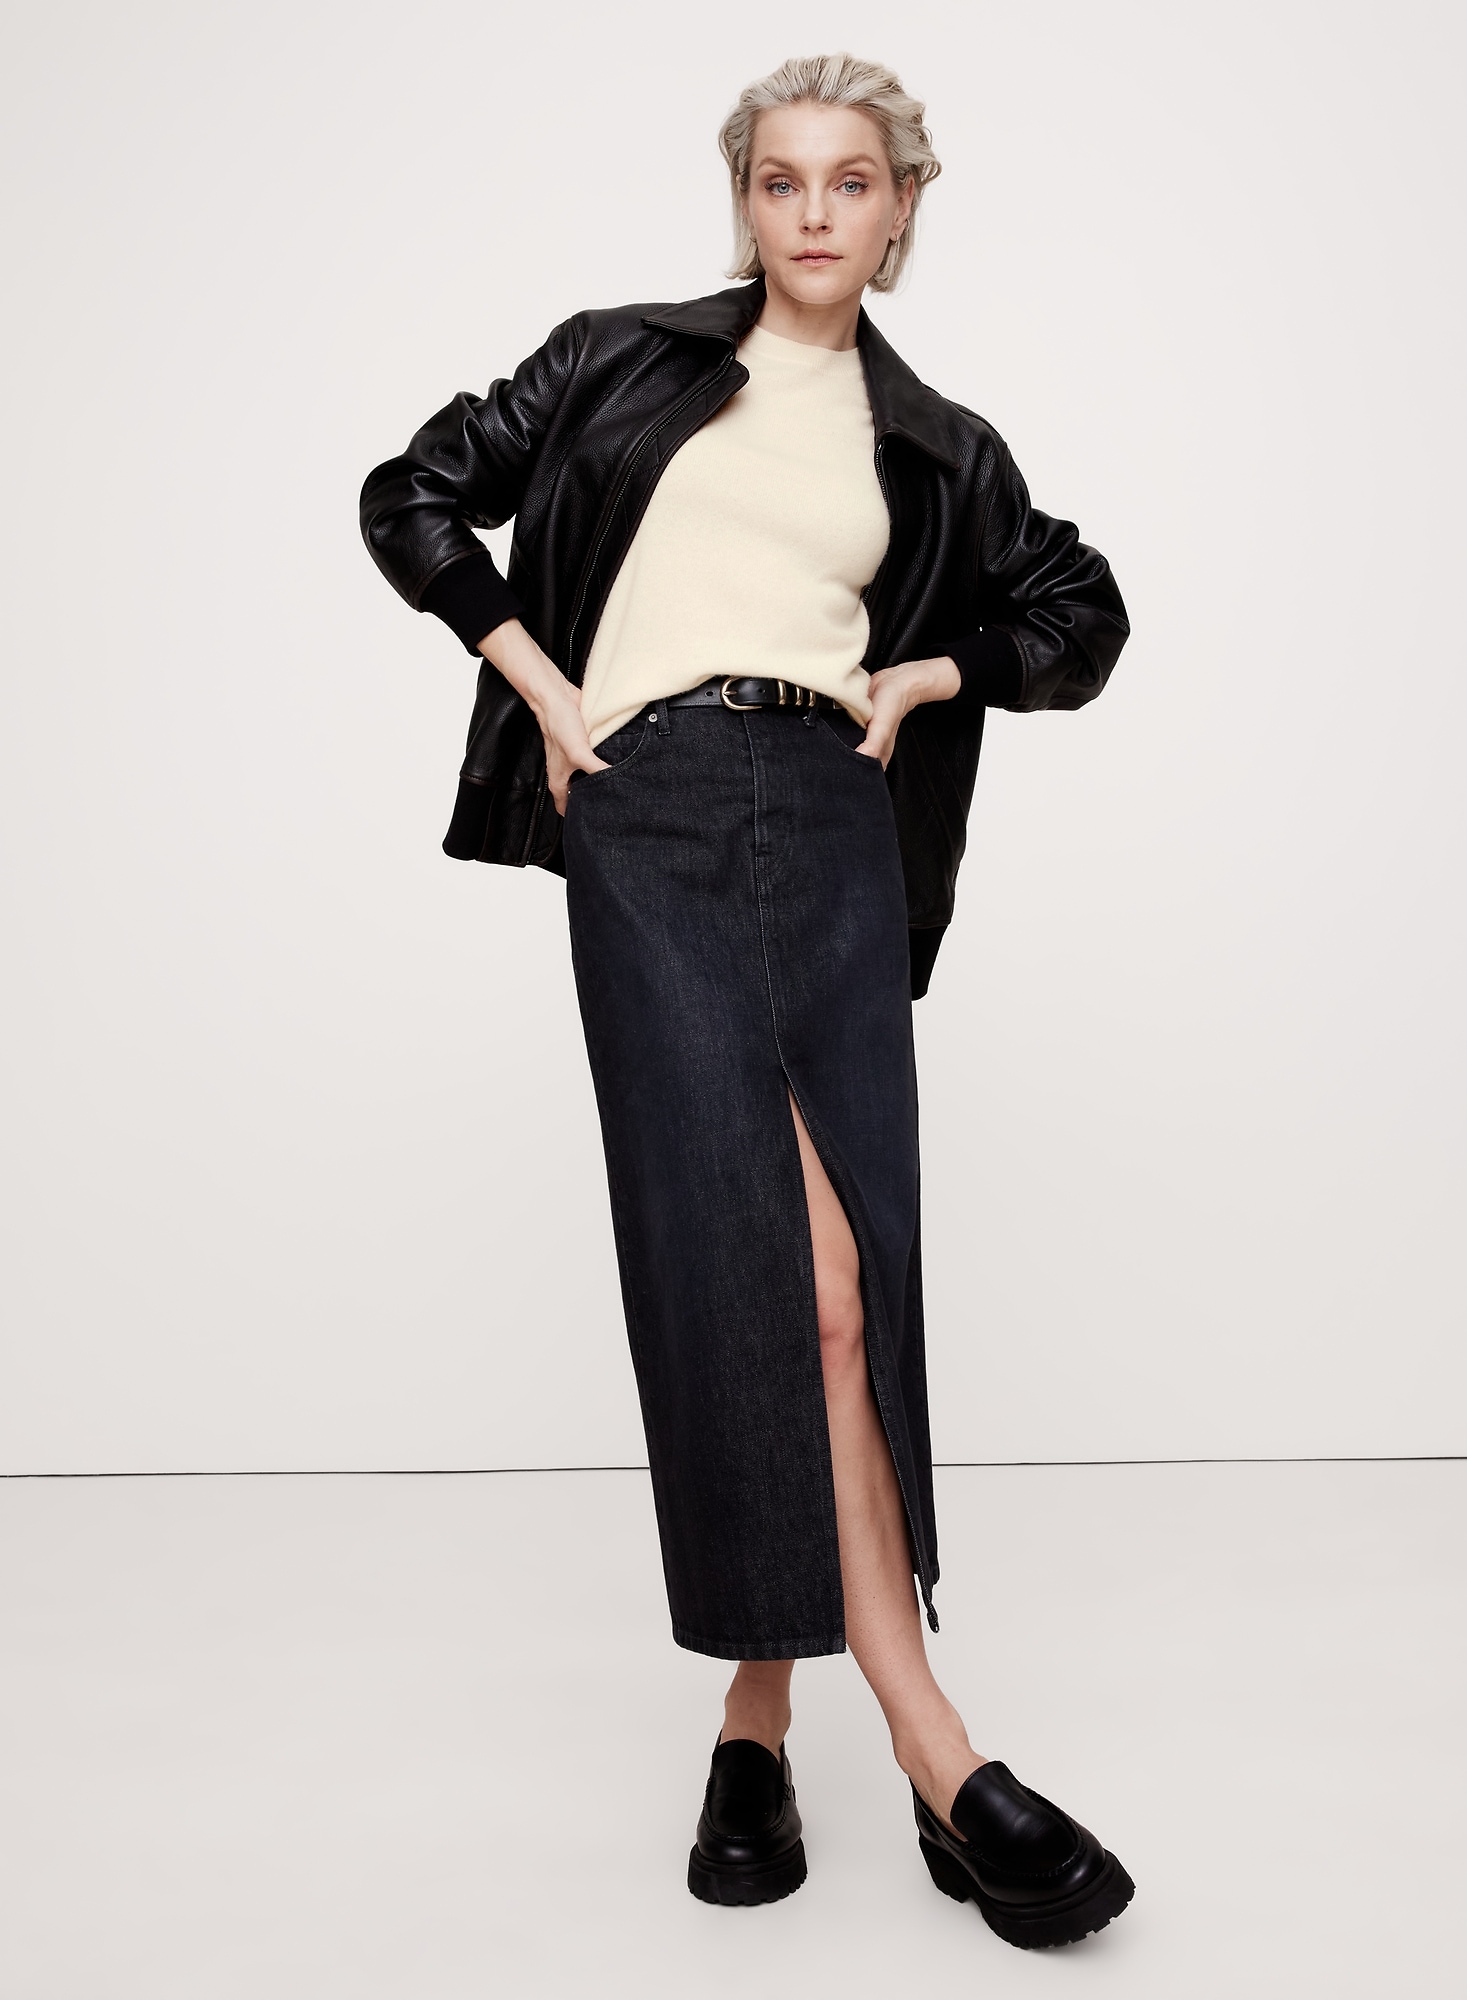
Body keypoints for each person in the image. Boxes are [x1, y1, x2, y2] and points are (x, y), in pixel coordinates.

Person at [361, 53, 1132, 1949]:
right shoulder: (618, 360)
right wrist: (544, 686)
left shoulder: (935, 441)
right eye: (781, 180)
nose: (812, 213)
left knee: (845, 1282)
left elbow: (1081, 615)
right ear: (745, 200)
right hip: (651, 810)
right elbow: (412, 496)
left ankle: (759, 1718)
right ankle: (937, 1749)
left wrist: (926, 677)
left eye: (850, 181)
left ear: (901, 208)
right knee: (750, 1268)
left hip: (833, 816)